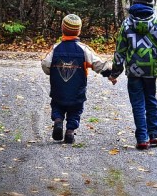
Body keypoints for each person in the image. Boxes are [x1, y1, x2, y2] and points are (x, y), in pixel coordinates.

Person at [108, 0, 157, 150]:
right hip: (150, 71)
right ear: (152, 4)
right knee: (151, 101)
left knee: (138, 103)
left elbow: (120, 51)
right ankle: (154, 135)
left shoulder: (127, 24)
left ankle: (142, 138)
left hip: (133, 72)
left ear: (134, 3)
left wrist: (115, 72)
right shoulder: (156, 24)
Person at [41, 14, 112, 144]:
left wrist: (51, 70)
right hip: (77, 92)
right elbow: (99, 64)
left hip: (58, 90)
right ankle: (70, 131)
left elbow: (45, 65)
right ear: (79, 31)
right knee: (76, 111)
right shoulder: (84, 49)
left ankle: (58, 121)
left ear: (62, 28)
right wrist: (111, 74)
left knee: (57, 106)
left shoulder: (55, 49)